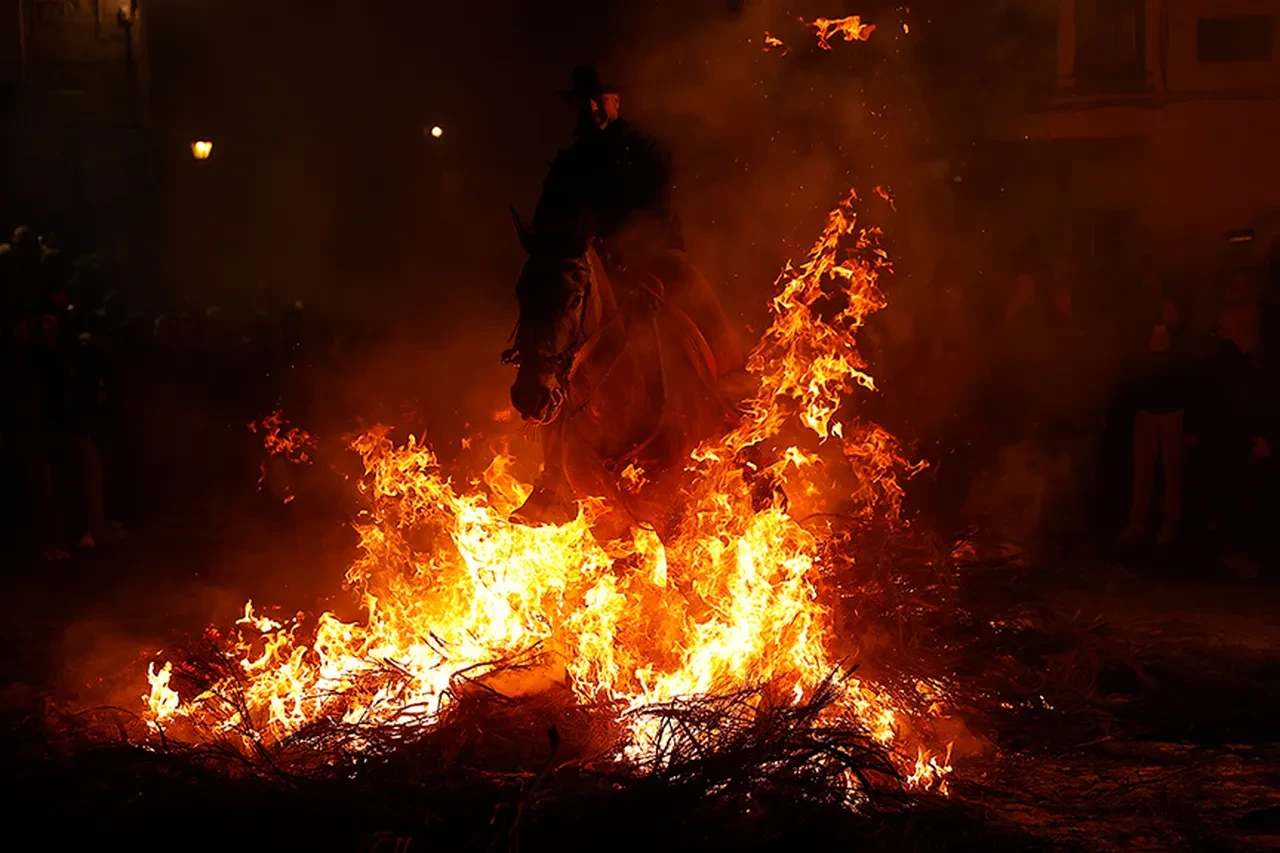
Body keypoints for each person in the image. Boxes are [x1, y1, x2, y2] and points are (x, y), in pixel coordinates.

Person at [511, 64, 746, 526]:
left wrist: (626, 256)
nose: (593, 107)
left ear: (617, 101)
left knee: (688, 279)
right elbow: (550, 220)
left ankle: (738, 398)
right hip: (584, 265)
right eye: (586, 100)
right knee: (555, 344)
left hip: (647, 258)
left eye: (602, 98)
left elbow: (658, 211)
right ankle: (552, 482)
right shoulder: (565, 166)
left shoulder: (644, 152)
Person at [1191, 282, 1276, 575]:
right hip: (1236, 442)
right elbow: (1217, 398)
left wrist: (1270, 438)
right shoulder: (1228, 357)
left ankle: (1259, 556)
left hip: (1262, 444)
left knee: (1257, 492)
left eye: (1226, 320)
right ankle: (1235, 548)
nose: (1220, 324)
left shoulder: (1269, 361)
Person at [1121, 256, 1189, 545]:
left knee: (1171, 470)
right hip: (1147, 407)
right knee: (1143, 470)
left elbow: (1185, 368)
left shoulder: (1181, 331)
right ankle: (1138, 524)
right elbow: (1133, 365)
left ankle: (1170, 523)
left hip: (1172, 408)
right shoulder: (1140, 325)